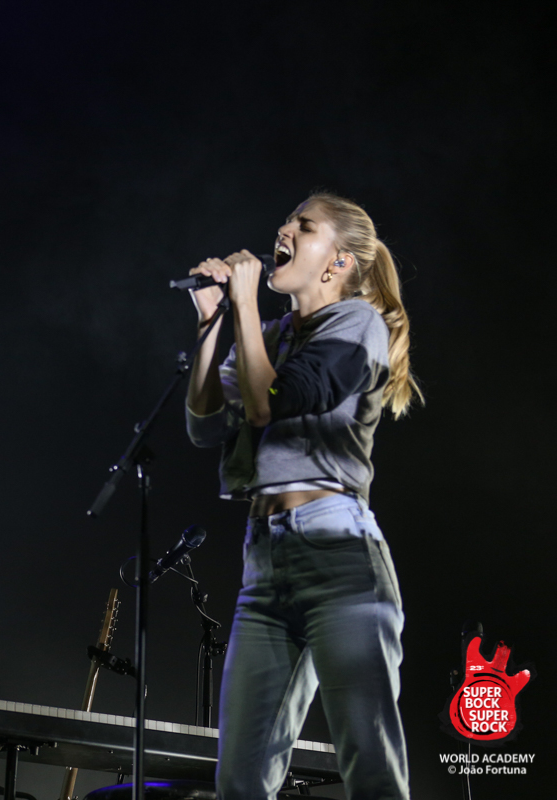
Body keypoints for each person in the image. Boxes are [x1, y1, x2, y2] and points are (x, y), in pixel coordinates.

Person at [185, 192, 421, 800]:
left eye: (303, 224)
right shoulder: (265, 333)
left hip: (337, 551)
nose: (283, 228)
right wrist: (213, 322)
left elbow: (269, 402)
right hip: (263, 563)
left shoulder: (356, 323)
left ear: (338, 261)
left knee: (368, 760)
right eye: (286, 219)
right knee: (239, 777)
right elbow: (206, 423)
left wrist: (242, 300)